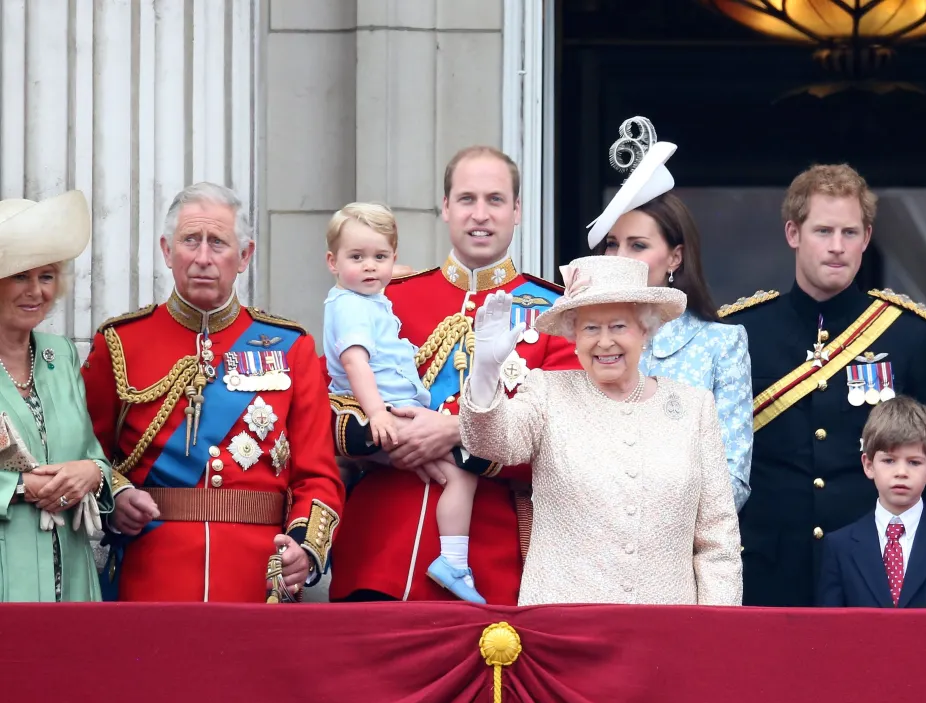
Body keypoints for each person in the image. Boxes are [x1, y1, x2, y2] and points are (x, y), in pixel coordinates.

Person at [330, 146, 579, 604]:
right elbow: (333, 409)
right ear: (445, 207)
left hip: (491, 565)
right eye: (466, 199)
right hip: (378, 554)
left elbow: (565, 442)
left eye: (495, 200)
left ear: (518, 210)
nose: (479, 214)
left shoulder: (554, 314)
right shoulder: (389, 298)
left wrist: (456, 431)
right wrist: (393, 444)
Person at [82, 182, 344, 603]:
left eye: (218, 243)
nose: (203, 257)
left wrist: (305, 550)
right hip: (150, 575)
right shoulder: (120, 343)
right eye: (191, 241)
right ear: (167, 251)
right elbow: (84, 451)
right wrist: (118, 496)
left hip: (258, 580)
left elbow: (317, 475)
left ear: (244, 256)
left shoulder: (291, 347)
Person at [720, 163, 926, 608]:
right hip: (766, 570)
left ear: (866, 239)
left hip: (873, 569)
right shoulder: (741, 332)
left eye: (850, 233)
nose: (836, 247)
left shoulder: (909, 333)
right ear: (793, 233)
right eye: (822, 231)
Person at [459, 255, 742, 606]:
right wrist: (486, 372)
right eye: (591, 328)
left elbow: (718, 541)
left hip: (667, 631)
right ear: (574, 336)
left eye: (619, 326)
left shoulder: (693, 407)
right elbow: (493, 442)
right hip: (564, 629)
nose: (604, 342)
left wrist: (716, 633)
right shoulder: (548, 391)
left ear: (645, 330)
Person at [322, 203, 483, 603]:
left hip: (397, 416)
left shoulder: (377, 299)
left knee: (449, 470)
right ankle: (455, 561)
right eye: (357, 257)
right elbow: (351, 364)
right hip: (384, 426)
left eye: (380, 258)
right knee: (460, 473)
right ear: (446, 208)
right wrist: (376, 414)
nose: (371, 267)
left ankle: (455, 561)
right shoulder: (357, 303)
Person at [589, 118, 752, 508]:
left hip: (679, 553)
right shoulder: (581, 337)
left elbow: (732, 477)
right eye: (612, 244)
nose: (621, 258)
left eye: (638, 245)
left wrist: (652, 522)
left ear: (675, 257)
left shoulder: (721, 344)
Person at [0, 190, 112, 601]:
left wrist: (92, 473)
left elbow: (92, 452)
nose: (36, 291)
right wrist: (17, 487)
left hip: (74, 576)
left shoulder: (60, 354)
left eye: (45, 276)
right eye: (19, 276)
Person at [817, 397, 926, 608]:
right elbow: (830, 629)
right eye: (889, 460)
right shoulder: (839, 546)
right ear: (868, 465)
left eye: (914, 462)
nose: (901, 473)